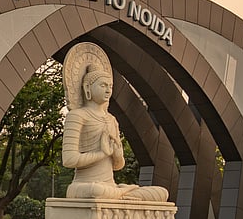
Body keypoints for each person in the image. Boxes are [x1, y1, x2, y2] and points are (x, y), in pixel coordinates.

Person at [61, 43, 169, 202]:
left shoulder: (111, 119)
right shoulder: (77, 116)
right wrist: (102, 153)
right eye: (103, 85)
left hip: (109, 185)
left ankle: (121, 195)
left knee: (161, 193)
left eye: (110, 86)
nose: (108, 90)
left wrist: (117, 154)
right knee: (97, 191)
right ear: (87, 88)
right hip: (84, 184)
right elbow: (69, 159)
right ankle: (122, 195)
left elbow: (118, 165)